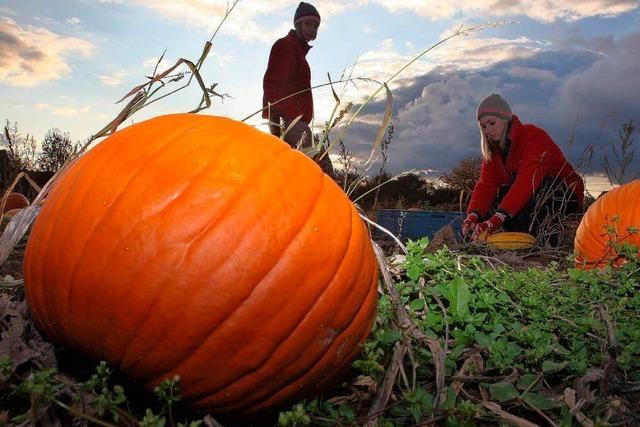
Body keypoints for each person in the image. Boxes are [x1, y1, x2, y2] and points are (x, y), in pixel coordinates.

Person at [461, 93, 585, 245]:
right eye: (483, 126)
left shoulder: (533, 136)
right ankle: (522, 242)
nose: (487, 130)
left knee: (515, 191)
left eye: (492, 123)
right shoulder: (493, 153)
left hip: (566, 192)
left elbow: (527, 182)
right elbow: (486, 186)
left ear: (506, 120)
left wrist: (497, 218)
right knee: (502, 195)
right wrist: (473, 215)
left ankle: (548, 243)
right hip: (531, 192)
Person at [262, 2, 334, 176]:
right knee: (321, 166)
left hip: (294, 120)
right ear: (297, 24)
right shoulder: (286, 46)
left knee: (297, 172)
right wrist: (279, 120)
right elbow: (273, 82)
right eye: (308, 24)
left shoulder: (298, 52)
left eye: (316, 25)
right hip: (289, 120)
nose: (312, 29)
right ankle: (333, 203)